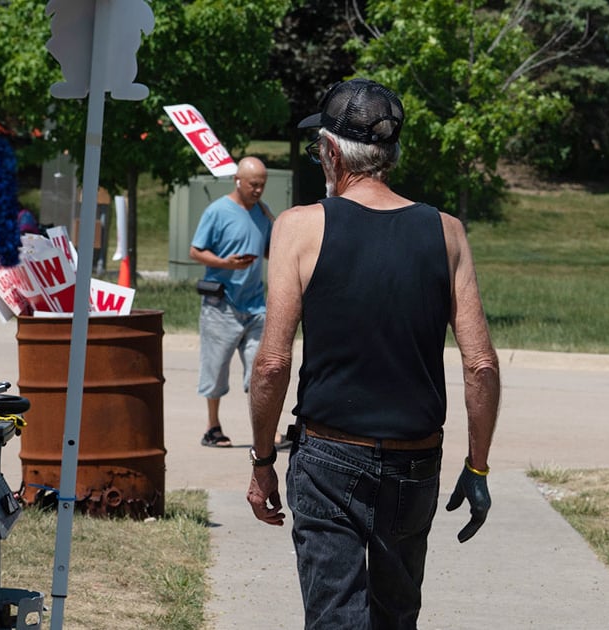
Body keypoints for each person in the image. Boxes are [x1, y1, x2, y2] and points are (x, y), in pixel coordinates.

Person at [246, 78, 500, 628]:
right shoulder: (446, 231)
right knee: (396, 617)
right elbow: (480, 364)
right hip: (416, 458)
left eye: (320, 150)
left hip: (329, 457)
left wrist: (262, 460)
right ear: (390, 152)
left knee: (335, 617)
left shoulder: (299, 228)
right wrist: (477, 466)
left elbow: (271, 364)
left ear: (332, 152)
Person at [188, 156, 288, 449]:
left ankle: (267, 432)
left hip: (256, 305)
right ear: (238, 181)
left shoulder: (261, 212)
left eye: (262, 185)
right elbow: (195, 251)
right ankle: (213, 427)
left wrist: (276, 226)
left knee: (264, 369)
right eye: (253, 185)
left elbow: (270, 249)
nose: (258, 190)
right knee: (216, 369)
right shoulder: (217, 211)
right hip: (222, 306)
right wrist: (225, 264)